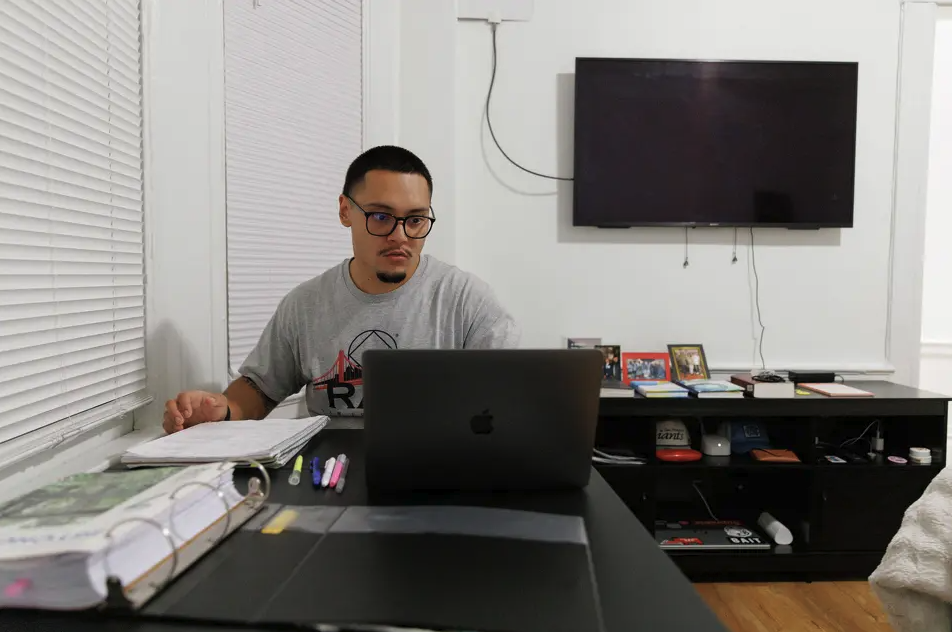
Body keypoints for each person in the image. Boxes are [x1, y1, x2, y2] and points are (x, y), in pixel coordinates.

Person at [163, 145, 520, 434]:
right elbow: (259, 390)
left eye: (415, 220)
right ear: (345, 211)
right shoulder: (305, 304)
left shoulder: (468, 302)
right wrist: (223, 410)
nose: (400, 237)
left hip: (439, 469)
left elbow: (509, 407)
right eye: (381, 217)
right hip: (331, 472)